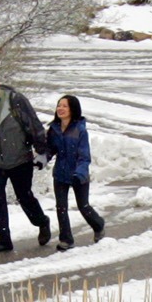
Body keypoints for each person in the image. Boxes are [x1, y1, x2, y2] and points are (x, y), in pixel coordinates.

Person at [0, 70, 51, 253]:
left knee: (24, 196)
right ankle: (4, 238)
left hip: (20, 159)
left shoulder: (15, 100)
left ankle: (42, 222)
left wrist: (42, 152)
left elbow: (34, 125)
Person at [45, 94, 106, 250]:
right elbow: (50, 149)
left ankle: (98, 225)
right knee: (61, 207)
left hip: (79, 176)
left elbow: (84, 157)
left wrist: (79, 174)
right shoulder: (54, 129)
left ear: (73, 109)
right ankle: (66, 239)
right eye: (59, 105)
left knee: (83, 206)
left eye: (64, 106)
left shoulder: (80, 130)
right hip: (60, 174)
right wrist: (41, 159)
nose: (60, 108)